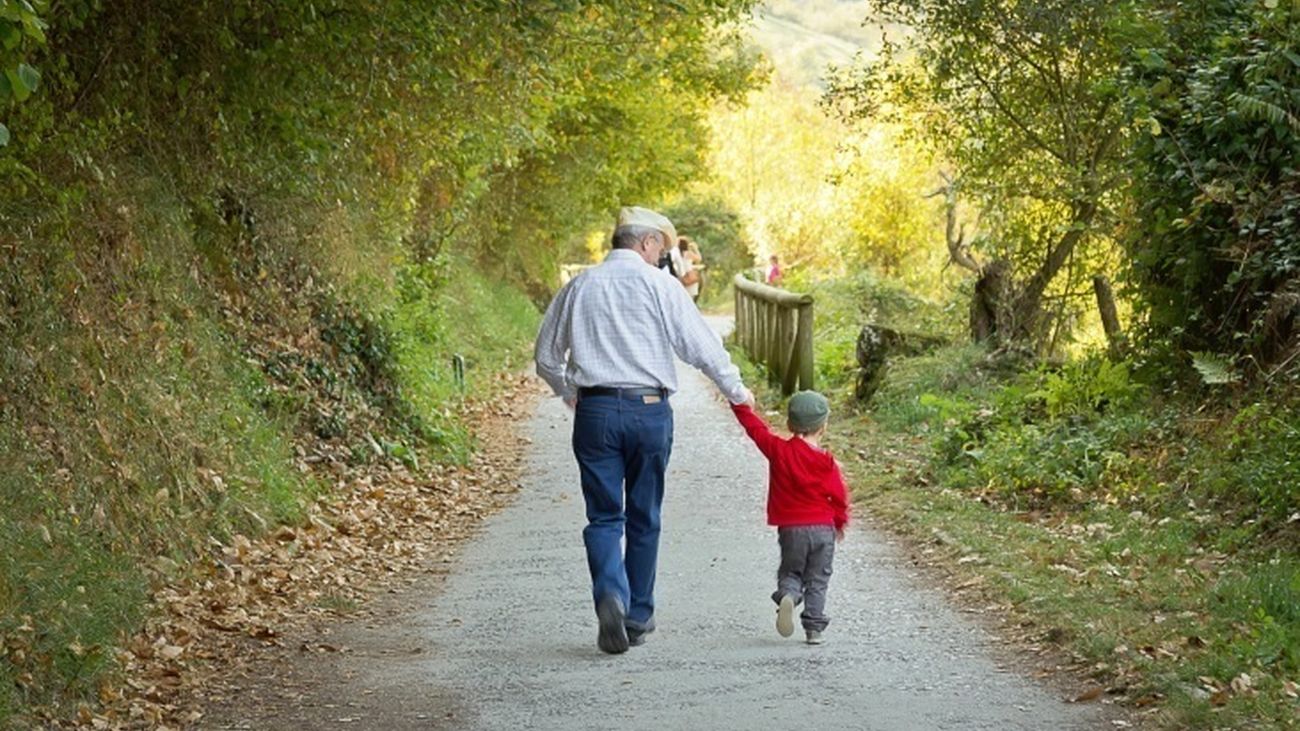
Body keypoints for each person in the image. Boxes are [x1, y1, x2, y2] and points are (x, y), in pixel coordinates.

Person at [535, 206, 754, 654]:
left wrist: (569, 391)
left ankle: (611, 594)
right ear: (647, 242)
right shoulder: (661, 286)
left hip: (595, 411)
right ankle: (637, 615)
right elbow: (701, 348)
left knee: (603, 516)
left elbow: (546, 357)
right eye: (662, 248)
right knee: (644, 514)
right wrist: (737, 391)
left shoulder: (579, 286)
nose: (662, 257)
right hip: (650, 410)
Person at [731, 390, 849, 645]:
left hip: (791, 528)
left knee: (791, 571)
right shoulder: (826, 462)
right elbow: (838, 496)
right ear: (823, 426)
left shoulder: (778, 450)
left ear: (789, 424)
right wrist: (839, 523)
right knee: (818, 577)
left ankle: (788, 596)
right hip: (822, 528)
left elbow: (755, 429)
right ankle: (814, 630)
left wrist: (739, 403)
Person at [677, 236, 702, 302]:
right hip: (689, 276)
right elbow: (699, 258)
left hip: (681, 277)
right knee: (690, 298)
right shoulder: (688, 253)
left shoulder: (677, 254)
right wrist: (695, 249)